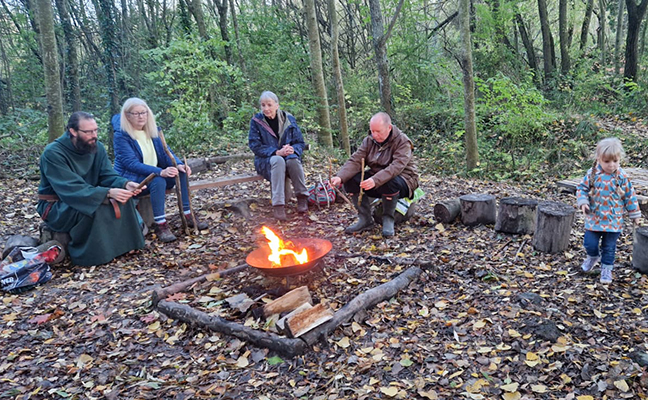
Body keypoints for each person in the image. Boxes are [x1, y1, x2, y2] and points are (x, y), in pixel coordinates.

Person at [37, 112, 146, 266]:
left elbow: (107, 175)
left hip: (90, 195)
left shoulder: (96, 147)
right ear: (72, 131)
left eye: (95, 130)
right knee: (96, 207)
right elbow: (71, 188)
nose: (93, 135)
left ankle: (127, 247)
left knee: (124, 199)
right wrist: (107, 193)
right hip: (58, 205)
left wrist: (125, 184)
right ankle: (93, 256)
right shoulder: (53, 153)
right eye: (88, 132)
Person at [112, 97, 208, 243]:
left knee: (180, 172)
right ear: (127, 115)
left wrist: (179, 164)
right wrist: (160, 171)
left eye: (144, 112)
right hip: (133, 181)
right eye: (136, 113)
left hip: (155, 176)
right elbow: (130, 163)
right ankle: (161, 225)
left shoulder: (153, 131)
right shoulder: (121, 135)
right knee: (158, 179)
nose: (141, 116)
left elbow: (165, 152)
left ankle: (188, 215)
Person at [330, 112, 419, 237]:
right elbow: (356, 160)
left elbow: (396, 167)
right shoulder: (369, 141)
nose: (374, 135)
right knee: (350, 180)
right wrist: (340, 177)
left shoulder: (402, 141)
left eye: (378, 131)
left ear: (389, 128)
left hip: (404, 180)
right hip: (376, 177)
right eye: (372, 131)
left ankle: (388, 218)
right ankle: (365, 219)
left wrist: (375, 180)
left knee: (390, 181)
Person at [577, 137, 641, 284]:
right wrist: (583, 202)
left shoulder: (622, 176)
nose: (611, 165)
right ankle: (593, 256)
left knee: (609, 247)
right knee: (589, 243)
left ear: (619, 160)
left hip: (614, 220)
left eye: (615, 161)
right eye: (606, 162)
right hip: (595, 217)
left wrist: (634, 214)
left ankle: (607, 269)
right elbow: (581, 188)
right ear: (599, 159)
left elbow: (630, 196)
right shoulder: (593, 174)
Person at [248, 91, 309, 221]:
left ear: (277, 105)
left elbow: (300, 142)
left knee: (293, 160)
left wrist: (293, 149)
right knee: (278, 160)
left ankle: (302, 198)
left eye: (269, 105)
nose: (266, 108)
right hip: (266, 161)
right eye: (263, 105)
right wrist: (276, 152)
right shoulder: (256, 121)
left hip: (287, 158)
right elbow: (255, 146)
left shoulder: (289, 119)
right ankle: (278, 206)